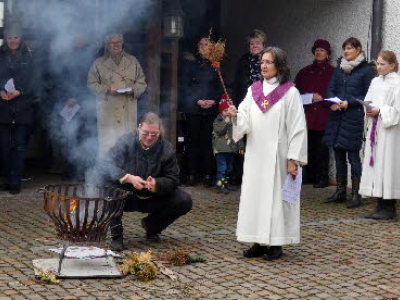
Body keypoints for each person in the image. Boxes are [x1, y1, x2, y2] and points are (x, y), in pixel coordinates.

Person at [230, 47, 307, 261]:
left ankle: (276, 243)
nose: (263, 66)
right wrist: (234, 115)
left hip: (279, 156)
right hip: (256, 155)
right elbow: (244, 120)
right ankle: (258, 240)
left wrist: (293, 159)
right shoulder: (253, 90)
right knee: (256, 197)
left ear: (279, 65)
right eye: (262, 62)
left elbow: (297, 127)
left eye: (268, 62)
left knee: (275, 200)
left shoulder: (290, 92)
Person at [99, 112, 193, 251]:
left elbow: (173, 179)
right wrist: (127, 177)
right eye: (145, 133)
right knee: (108, 186)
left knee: (184, 200)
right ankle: (117, 236)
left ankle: (152, 226)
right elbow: (106, 164)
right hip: (126, 195)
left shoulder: (167, 150)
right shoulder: (125, 141)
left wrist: (156, 183)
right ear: (139, 128)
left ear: (159, 131)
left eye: (154, 134)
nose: (149, 138)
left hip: (153, 197)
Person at [322, 37, 376, 208]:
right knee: (338, 156)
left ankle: (356, 194)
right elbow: (331, 88)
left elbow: (368, 96)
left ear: (358, 50)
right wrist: (333, 101)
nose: (346, 51)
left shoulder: (366, 70)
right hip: (336, 117)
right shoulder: (338, 69)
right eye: (345, 48)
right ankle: (340, 192)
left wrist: (348, 103)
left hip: (353, 117)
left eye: (350, 48)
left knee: (353, 157)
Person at [87, 33, 147, 157]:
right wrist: (107, 89)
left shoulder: (132, 61)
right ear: (107, 45)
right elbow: (91, 84)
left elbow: (142, 83)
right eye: (112, 43)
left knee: (127, 145)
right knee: (108, 145)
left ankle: (126, 174)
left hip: (127, 111)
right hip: (108, 111)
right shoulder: (98, 63)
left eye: (118, 42)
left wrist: (133, 90)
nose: (116, 45)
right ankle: (108, 174)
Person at [360, 50, 400, 220]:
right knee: (375, 165)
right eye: (378, 64)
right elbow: (368, 100)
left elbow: (397, 110)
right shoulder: (375, 81)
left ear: (392, 65)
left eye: (382, 64)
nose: (379, 67)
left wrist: (380, 111)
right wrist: (368, 108)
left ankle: (389, 207)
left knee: (387, 165)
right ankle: (379, 204)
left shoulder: (397, 83)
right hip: (375, 131)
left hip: (389, 131)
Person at [178, 36, 222, 186]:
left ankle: (208, 175)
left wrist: (213, 100)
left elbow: (220, 87)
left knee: (208, 143)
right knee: (192, 142)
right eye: (201, 44)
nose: (203, 47)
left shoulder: (216, 66)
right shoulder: (190, 65)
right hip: (193, 108)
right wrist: (197, 100)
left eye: (206, 44)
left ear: (211, 48)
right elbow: (184, 87)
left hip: (210, 110)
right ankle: (191, 174)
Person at [0, 24, 37, 194]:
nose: (12, 40)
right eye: (9, 37)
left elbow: (35, 82)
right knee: (4, 146)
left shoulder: (29, 57)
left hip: (23, 107)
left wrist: (20, 91)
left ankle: (15, 181)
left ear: (20, 38)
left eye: (15, 37)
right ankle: (8, 177)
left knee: (19, 146)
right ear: (5, 39)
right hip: (3, 107)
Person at [295, 39, 334, 188]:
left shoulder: (333, 72)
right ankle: (308, 175)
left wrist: (323, 99)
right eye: (316, 50)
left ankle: (322, 177)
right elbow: (295, 93)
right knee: (306, 147)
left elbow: (337, 95)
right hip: (306, 116)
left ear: (328, 54)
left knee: (322, 149)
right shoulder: (304, 73)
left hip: (324, 117)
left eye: (322, 50)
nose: (319, 52)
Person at [230, 29, 267, 186]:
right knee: (242, 142)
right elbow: (237, 84)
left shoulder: (271, 60)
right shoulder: (243, 60)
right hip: (244, 106)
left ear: (263, 44)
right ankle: (242, 176)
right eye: (251, 44)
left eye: (257, 43)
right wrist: (234, 103)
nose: (254, 46)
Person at [212, 96, 244, 194]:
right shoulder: (218, 121)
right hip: (221, 149)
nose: (227, 112)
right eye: (225, 111)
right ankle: (219, 185)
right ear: (221, 112)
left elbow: (238, 134)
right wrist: (225, 121)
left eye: (228, 110)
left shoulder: (234, 121)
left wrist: (241, 146)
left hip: (231, 149)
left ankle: (225, 183)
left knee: (229, 168)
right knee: (222, 168)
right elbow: (219, 131)